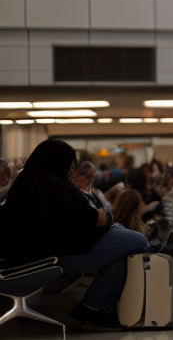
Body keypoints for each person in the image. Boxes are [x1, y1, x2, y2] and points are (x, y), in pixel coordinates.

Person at [0, 140, 150, 328]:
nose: (72, 168)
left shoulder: (31, 179)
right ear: (60, 160)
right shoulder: (48, 181)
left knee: (125, 241)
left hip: (44, 248)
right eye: (70, 162)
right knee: (138, 242)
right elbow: (64, 217)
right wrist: (99, 216)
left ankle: (95, 305)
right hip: (55, 253)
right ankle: (94, 305)